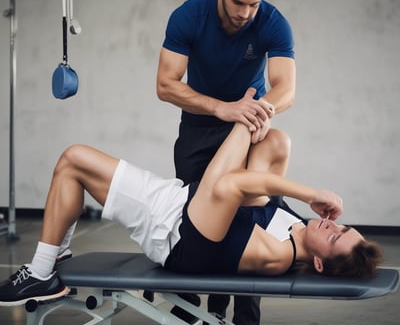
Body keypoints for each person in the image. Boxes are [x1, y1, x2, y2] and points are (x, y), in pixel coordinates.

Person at [0, 123, 383, 307]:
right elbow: (257, 167)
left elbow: (228, 185)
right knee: (278, 139)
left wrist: (310, 192)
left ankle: (40, 274)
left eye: (333, 237)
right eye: (341, 226)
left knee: (73, 160)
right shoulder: (298, 227)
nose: (331, 224)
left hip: (170, 231)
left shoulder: (277, 254)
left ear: (318, 264)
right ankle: (56, 254)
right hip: (180, 200)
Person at [156, 0, 295, 323]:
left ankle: (244, 315)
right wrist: (222, 107)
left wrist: (260, 110)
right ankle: (186, 307)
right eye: (237, 2)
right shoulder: (190, 15)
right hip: (199, 128)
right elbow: (166, 85)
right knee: (195, 223)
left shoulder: (272, 22)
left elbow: (285, 87)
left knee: (251, 217)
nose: (244, 13)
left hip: (246, 129)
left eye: (253, 5)